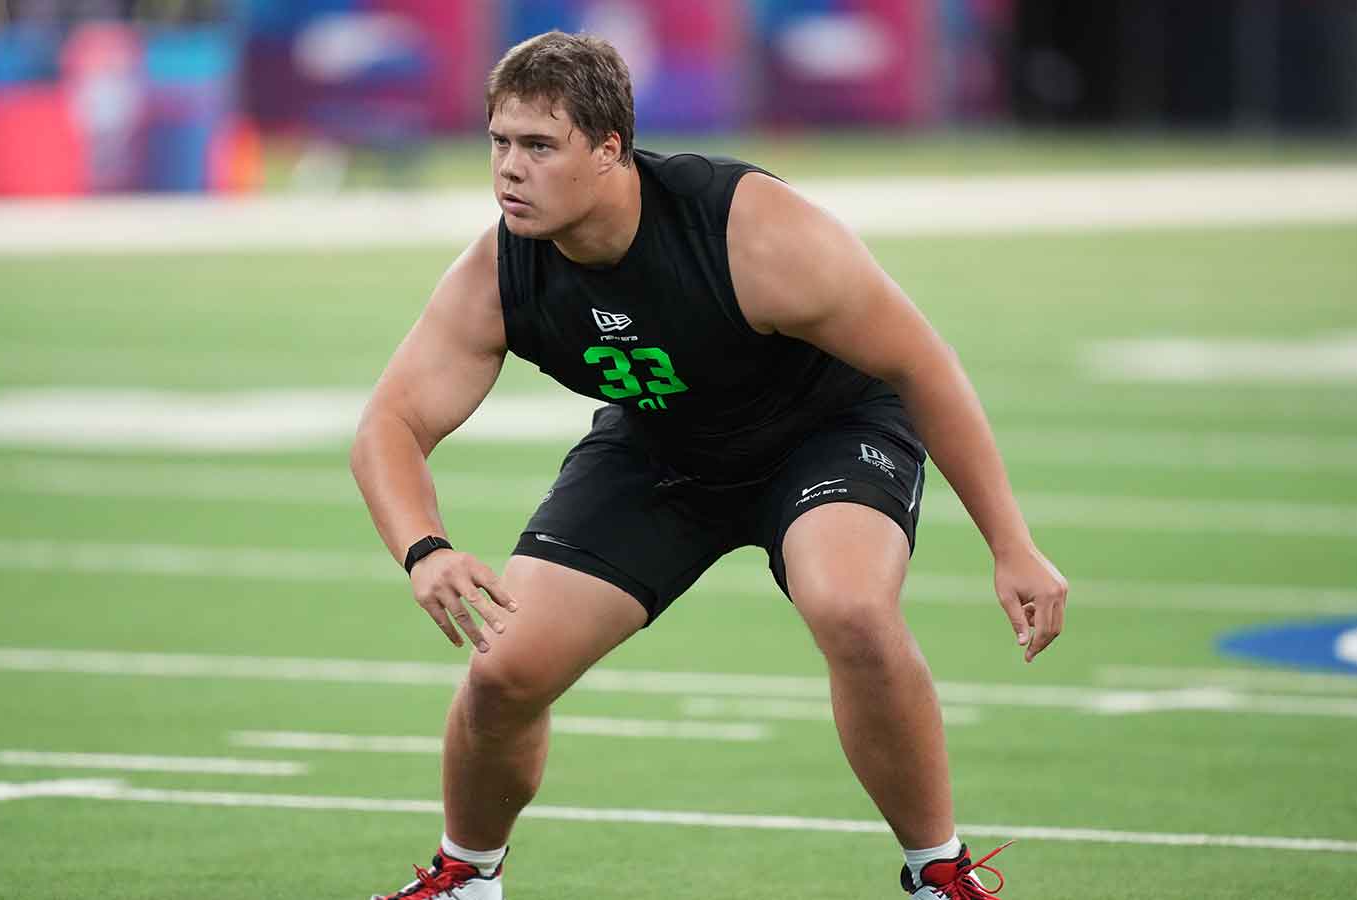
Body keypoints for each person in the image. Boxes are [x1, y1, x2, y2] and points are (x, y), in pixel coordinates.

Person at [350, 30, 1068, 900]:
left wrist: (1011, 543)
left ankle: (939, 874)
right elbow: (390, 422)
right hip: (666, 447)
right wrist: (424, 549)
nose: (509, 169)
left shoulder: (749, 228)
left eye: (539, 145)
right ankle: (466, 878)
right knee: (505, 671)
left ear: (609, 150)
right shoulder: (500, 271)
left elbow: (924, 366)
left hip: (825, 430)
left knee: (849, 608)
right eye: (499, 141)